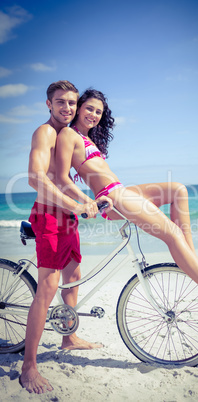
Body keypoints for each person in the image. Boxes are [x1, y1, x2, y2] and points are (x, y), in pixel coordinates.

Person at [56, 88, 198, 313]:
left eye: (98, 111)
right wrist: (87, 202)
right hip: (112, 197)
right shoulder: (68, 135)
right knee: (172, 233)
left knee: (178, 190)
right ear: (78, 108)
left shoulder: (86, 137)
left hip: (121, 191)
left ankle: (195, 263)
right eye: (89, 109)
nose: (93, 114)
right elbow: (62, 177)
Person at [20, 81, 112, 394]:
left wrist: (85, 201)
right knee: (47, 287)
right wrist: (76, 204)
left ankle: (69, 337)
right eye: (60, 102)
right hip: (48, 217)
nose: (67, 108)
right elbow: (36, 178)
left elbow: (63, 180)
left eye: (72, 103)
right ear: (48, 104)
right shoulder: (45, 132)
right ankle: (29, 365)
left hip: (66, 217)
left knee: (74, 274)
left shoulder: (65, 136)